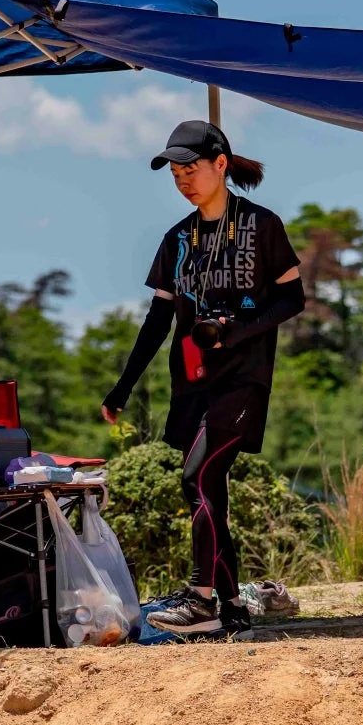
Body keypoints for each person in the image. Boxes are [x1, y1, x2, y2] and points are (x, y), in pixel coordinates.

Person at [100, 121, 305, 634]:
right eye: (175, 175)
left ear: (220, 164)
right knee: (209, 488)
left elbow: (292, 298)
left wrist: (237, 331)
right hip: (192, 382)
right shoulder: (177, 239)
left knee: (197, 477)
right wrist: (123, 387)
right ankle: (232, 608)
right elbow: (157, 320)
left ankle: (200, 599)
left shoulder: (261, 225)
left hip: (243, 379)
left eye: (190, 170)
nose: (183, 181)